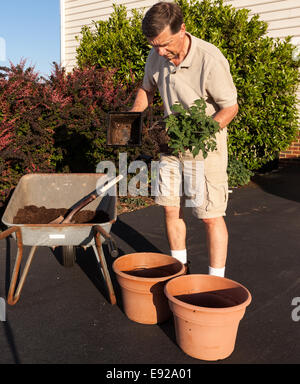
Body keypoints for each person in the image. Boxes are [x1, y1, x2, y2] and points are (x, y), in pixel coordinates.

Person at [130, 2, 238, 277]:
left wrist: (201, 135)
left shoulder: (209, 59)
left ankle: (216, 282)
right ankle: (180, 270)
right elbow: (146, 89)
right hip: (170, 144)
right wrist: (130, 119)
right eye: (155, 46)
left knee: (210, 216)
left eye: (165, 45)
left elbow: (230, 108)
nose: (160, 52)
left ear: (182, 30)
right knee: (169, 209)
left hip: (205, 146)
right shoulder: (156, 56)